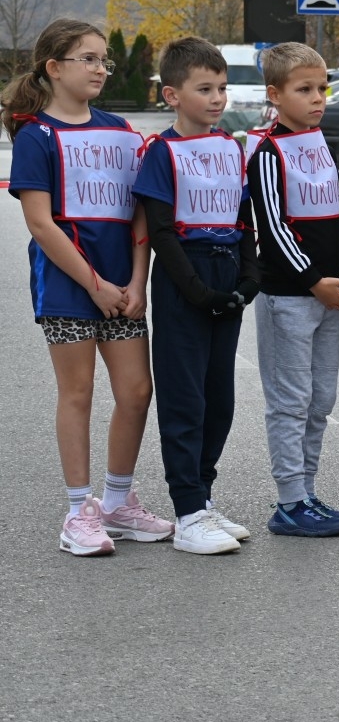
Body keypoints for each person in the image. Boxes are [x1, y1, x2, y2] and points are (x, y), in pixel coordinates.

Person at [4, 18, 169, 556]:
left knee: (137, 392)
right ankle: (79, 511)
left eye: (104, 60)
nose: (101, 69)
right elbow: (41, 223)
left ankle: (117, 502)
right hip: (69, 288)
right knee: (77, 394)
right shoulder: (36, 136)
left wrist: (137, 280)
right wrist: (94, 284)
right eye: (89, 59)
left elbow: (140, 212)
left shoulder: (121, 130)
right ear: (54, 68)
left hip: (123, 288)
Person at [134, 37, 261, 553]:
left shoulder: (231, 147)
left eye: (222, 88)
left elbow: (244, 221)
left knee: (219, 400)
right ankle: (187, 511)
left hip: (226, 275)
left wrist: (249, 281)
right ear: (172, 95)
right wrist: (198, 292)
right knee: (184, 399)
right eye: (204, 89)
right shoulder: (161, 152)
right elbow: (162, 232)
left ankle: (204, 498)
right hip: (185, 279)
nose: (217, 98)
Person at [247, 42, 339, 538]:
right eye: (304, 89)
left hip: (328, 295)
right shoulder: (268, 152)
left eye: (322, 88)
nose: (318, 98)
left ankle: (308, 491)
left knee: (321, 399)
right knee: (290, 401)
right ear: (275, 95)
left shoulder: (318, 142)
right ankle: (290, 501)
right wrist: (314, 281)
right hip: (289, 298)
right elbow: (273, 227)